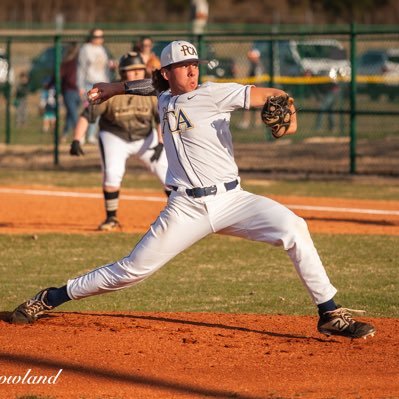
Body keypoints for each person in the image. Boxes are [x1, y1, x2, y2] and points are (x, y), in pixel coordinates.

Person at [9, 40, 375, 340]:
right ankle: (51, 296)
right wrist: (114, 88)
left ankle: (329, 312)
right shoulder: (164, 94)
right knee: (132, 271)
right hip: (185, 207)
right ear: (168, 73)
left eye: (195, 63)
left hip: (234, 199)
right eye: (183, 66)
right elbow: (150, 84)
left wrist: (289, 119)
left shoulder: (217, 93)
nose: (192, 70)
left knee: (295, 228)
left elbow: (276, 94)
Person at [70, 51, 169, 231]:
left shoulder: (152, 92)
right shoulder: (111, 92)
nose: (136, 74)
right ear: (123, 74)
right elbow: (87, 115)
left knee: (167, 174)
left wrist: (161, 143)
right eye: (131, 71)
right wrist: (77, 139)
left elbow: (161, 119)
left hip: (145, 137)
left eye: (139, 70)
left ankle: (178, 215)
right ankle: (111, 219)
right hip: (115, 136)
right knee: (113, 174)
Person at [77, 28, 114, 144]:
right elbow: (81, 68)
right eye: (97, 37)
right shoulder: (86, 49)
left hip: (102, 83)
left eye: (101, 37)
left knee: (98, 110)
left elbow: (106, 67)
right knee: (87, 109)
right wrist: (80, 86)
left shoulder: (103, 50)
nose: (99, 39)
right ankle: (81, 134)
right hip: (89, 83)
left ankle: (91, 135)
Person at [59, 42, 81, 141]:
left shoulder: (73, 62)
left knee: (71, 113)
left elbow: (59, 75)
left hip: (75, 90)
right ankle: (73, 135)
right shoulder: (69, 63)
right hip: (71, 90)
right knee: (72, 113)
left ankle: (73, 134)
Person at [239, 48, 264, 130]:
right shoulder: (253, 65)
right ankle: (252, 122)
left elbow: (258, 79)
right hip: (253, 87)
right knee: (250, 105)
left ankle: (253, 122)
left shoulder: (257, 65)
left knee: (252, 105)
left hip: (255, 88)